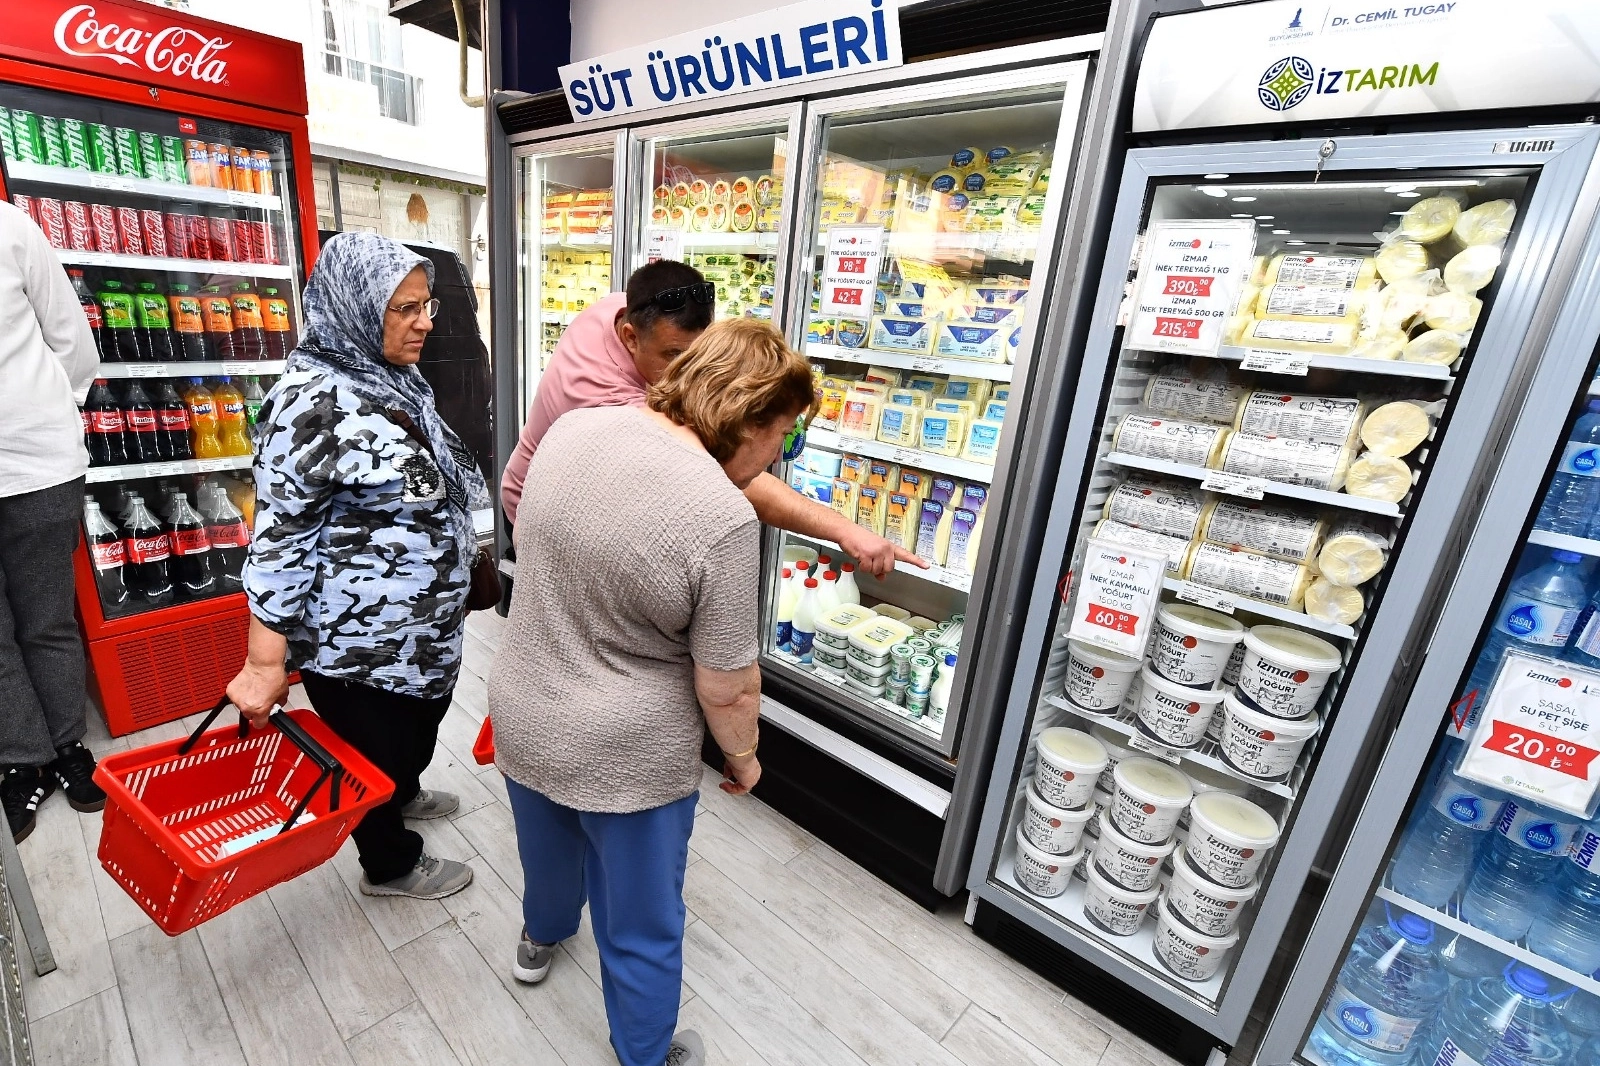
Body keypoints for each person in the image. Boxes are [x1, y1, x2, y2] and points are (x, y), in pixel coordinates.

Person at [490, 318, 810, 1066]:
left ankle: (540, 938)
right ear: (750, 421)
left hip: (525, 707)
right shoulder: (722, 517)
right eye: (784, 435)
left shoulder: (575, 427)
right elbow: (726, 685)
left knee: (546, 850)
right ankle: (644, 1053)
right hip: (626, 752)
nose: (780, 455)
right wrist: (745, 759)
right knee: (641, 919)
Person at [227, 232, 490, 900]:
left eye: (427, 305)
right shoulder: (308, 402)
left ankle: (400, 789)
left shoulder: (385, 372)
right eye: (405, 308)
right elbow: (280, 540)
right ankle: (389, 862)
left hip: (420, 632)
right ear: (355, 306)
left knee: (416, 727)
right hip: (359, 646)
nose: (425, 322)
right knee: (370, 750)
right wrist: (263, 663)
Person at [500, 259, 922, 576]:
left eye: (699, 355)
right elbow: (727, 476)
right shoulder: (609, 404)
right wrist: (843, 529)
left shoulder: (623, 307)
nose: (691, 374)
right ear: (630, 336)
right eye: (674, 355)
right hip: (535, 512)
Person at [0, 199, 104, 841]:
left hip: (37, 464)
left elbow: (72, 339)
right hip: (38, 453)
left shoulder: (10, 227)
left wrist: (49, 411)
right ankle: (22, 759)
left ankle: (67, 745)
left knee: (47, 618)